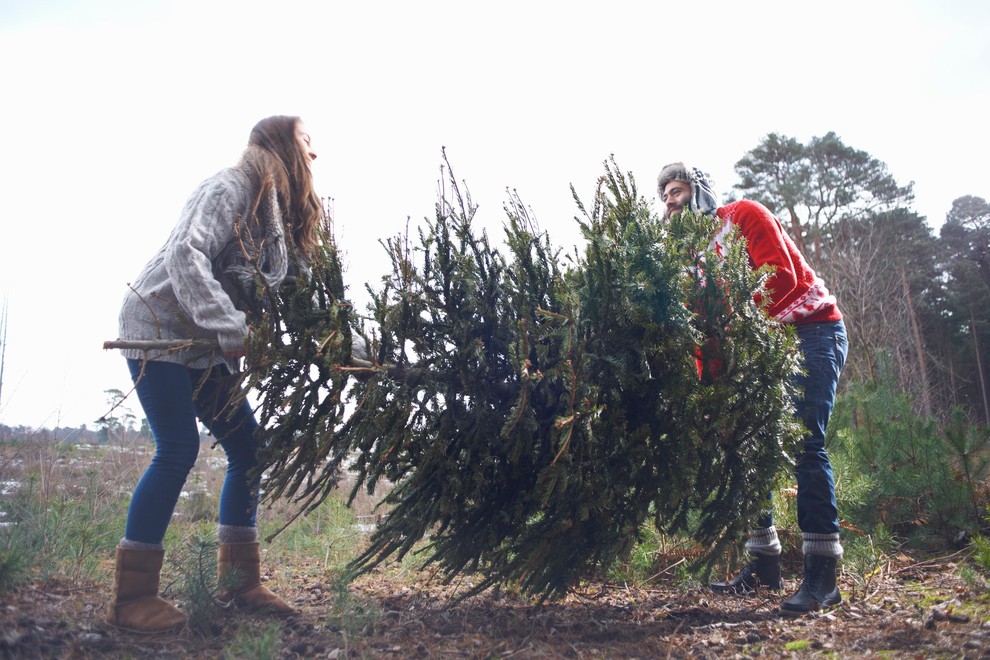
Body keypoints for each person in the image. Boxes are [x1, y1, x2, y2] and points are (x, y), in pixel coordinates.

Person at [107, 115, 322, 632]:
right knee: (177, 448)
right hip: (157, 328)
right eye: (307, 142)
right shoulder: (228, 188)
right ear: (279, 145)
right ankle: (131, 598)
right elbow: (186, 252)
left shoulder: (278, 221)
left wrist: (357, 348)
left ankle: (240, 584)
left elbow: (305, 301)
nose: (315, 156)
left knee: (248, 448)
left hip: (206, 345)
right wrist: (230, 325)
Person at [657, 162, 849, 616]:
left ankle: (823, 577)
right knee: (741, 447)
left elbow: (777, 277)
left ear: (699, 192)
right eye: (664, 195)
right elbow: (703, 331)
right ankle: (764, 564)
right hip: (752, 347)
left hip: (810, 330)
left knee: (804, 442)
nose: (670, 200)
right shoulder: (690, 262)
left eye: (678, 190)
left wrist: (733, 328)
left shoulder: (744, 215)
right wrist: (709, 391)